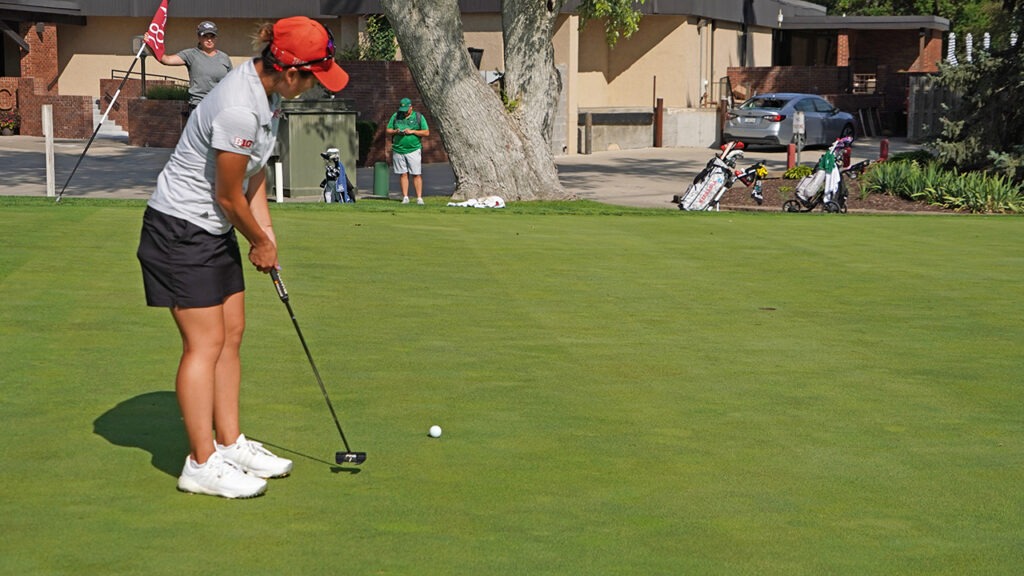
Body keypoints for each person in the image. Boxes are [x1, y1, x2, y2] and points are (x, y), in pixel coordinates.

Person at [136, 16, 349, 499]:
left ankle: (229, 443)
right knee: (204, 344)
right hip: (180, 229)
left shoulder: (267, 95)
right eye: (316, 76)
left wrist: (267, 235)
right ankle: (200, 462)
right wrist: (257, 240)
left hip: (211, 228)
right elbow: (228, 193)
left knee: (232, 333)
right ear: (291, 71)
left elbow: (253, 178)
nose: (318, 85)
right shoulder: (238, 107)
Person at [157, 21, 233, 110]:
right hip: (198, 106)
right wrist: (150, 45)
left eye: (212, 36)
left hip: (219, 106)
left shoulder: (224, 57)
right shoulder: (191, 55)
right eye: (205, 36)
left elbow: (231, 83)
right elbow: (166, 60)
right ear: (199, 37)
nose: (209, 40)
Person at [386, 97, 430, 204]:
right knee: (403, 173)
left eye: (406, 110)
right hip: (398, 149)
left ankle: (419, 198)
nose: (404, 113)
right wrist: (396, 131)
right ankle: (405, 197)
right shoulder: (396, 116)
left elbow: (426, 132)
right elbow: (388, 130)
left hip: (413, 149)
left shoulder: (418, 117)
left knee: (416, 173)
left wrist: (413, 132)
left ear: (411, 107)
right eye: (403, 110)